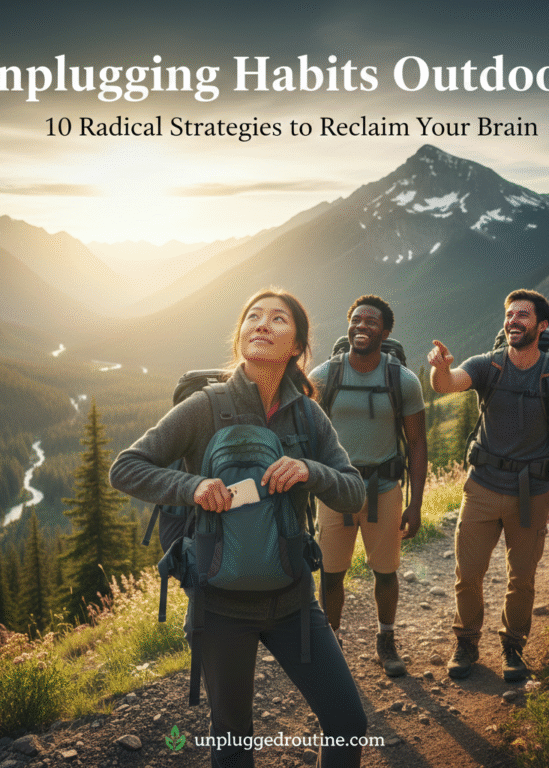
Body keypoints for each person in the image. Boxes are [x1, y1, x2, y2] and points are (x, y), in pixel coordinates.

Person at [109, 288, 367, 768]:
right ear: (241, 336)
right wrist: (192, 486)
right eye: (253, 316)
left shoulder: (308, 415)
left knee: (348, 723)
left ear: (297, 346)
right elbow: (125, 467)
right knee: (233, 735)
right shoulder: (205, 408)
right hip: (219, 606)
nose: (262, 324)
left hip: (294, 601)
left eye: (278, 319)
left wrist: (311, 470)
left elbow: (353, 491)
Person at [428, 289, 549, 682]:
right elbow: (448, 384)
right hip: (481, 487)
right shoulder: (488, 365)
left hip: (531, 490)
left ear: (541, 325)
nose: (514, 320)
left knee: (523, 576)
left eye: (523, 315)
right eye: (510, 313)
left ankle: (513, 648)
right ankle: (466, 642)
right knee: (469, 572)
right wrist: (440, 368)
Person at [310, 295, 428, 677]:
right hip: (335, 490)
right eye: (356, 320)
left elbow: (417, 444)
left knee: (386, 572)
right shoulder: (324, 377)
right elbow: (301, 435)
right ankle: (332, 642)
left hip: (384, 489)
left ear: (386, 331)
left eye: (371, 322)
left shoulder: (403, 381)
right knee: (331, 573)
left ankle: (386, 641)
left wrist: (416, 504)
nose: (362, 326)